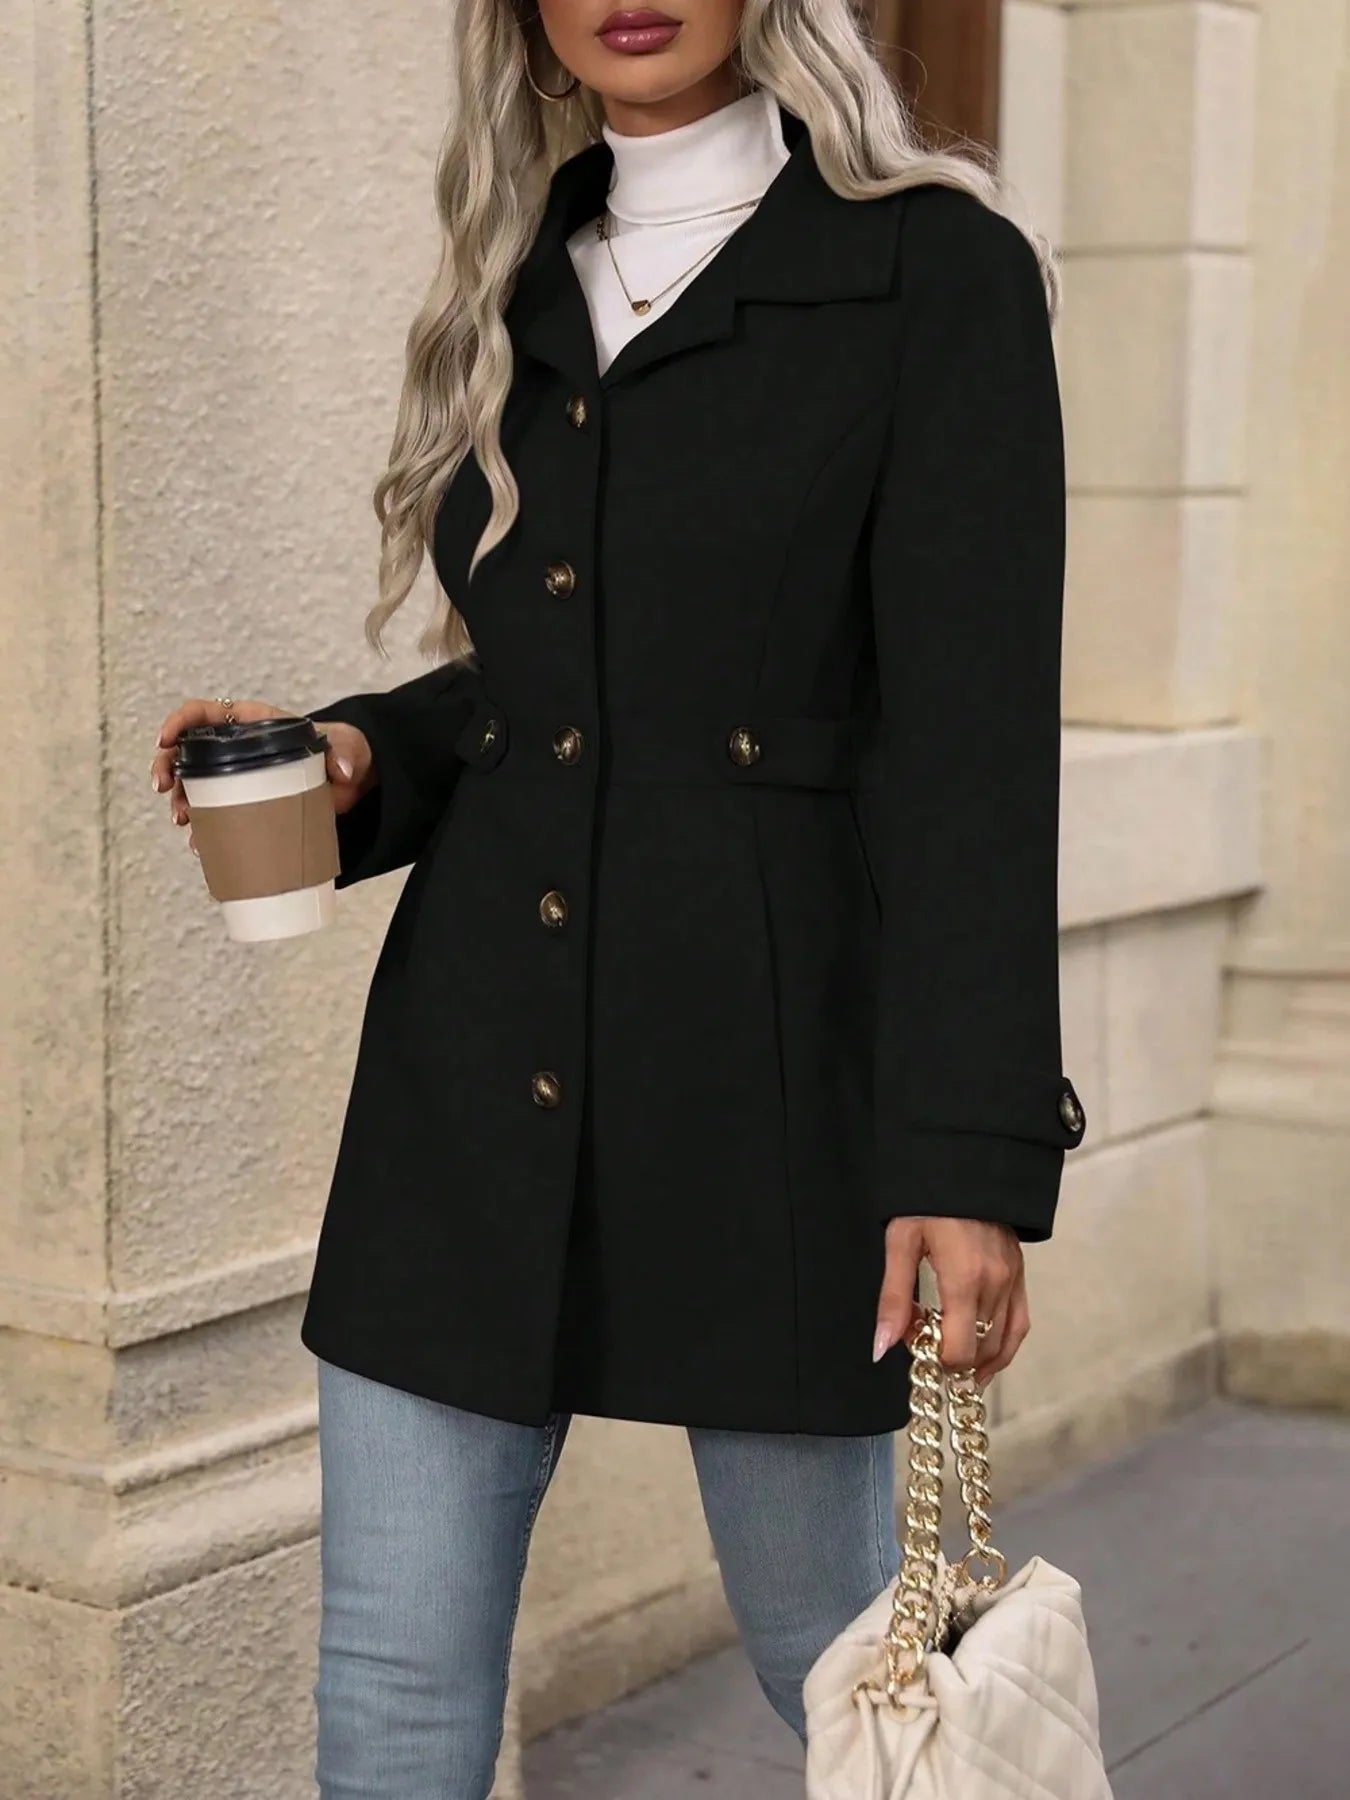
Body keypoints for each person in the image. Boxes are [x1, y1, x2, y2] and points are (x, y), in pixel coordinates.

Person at [152, 2, 1088, 1793]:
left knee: (869, 1690)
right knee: (393, 1698)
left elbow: (970, 754)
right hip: (472, 1077)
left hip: (774, 1086)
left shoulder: (931, 273)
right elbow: (555, 693)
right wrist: (362, 760)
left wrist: (965, 1159)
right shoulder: (519, 276)